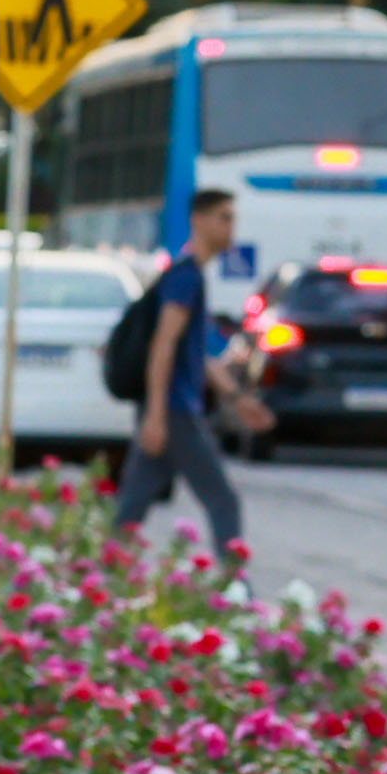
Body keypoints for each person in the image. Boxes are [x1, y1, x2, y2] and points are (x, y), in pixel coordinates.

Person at [115, 189, 265, 553]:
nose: (231, 227)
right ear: (199, 220)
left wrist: (236, 398)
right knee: (223, 501)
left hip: (170, 408)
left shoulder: (192, 276)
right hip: (177, 410)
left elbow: (197, 356)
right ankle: (234, 591)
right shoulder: (186, 278)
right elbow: (163, 345)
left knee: (133, 506)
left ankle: (101, 575)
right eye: (224, 218)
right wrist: (156, 414)